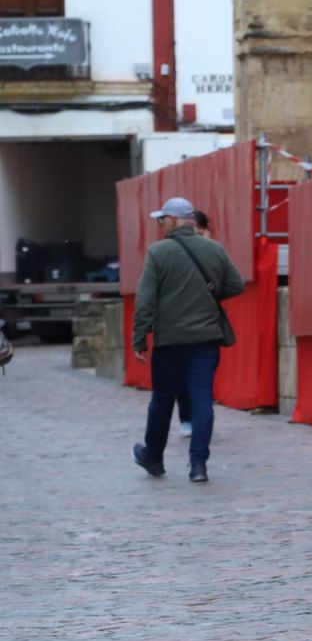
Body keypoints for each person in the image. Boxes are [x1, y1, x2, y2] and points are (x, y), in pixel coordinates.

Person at [132, 197, 242, 483]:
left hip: (170, 340)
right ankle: (198, 465)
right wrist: (206, 297)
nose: (160, 224)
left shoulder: (158, 253)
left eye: (162, 219)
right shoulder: (214, 249)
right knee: (202, 398)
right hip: (206, 338)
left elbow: (145, 301)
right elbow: (235, 284)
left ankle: (153, 457)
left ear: (173, 220)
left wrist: (139, 337)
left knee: (162, 400)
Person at [175, 210, 212, 442]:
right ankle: (187, 418)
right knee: (182, 375)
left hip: (205, 323)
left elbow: (230, 283)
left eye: (200, 227)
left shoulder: (212, 251)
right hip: (179, 323)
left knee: (203, 376)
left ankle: (201, 418)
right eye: (193, 226)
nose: (196, 231)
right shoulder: (173, 250)